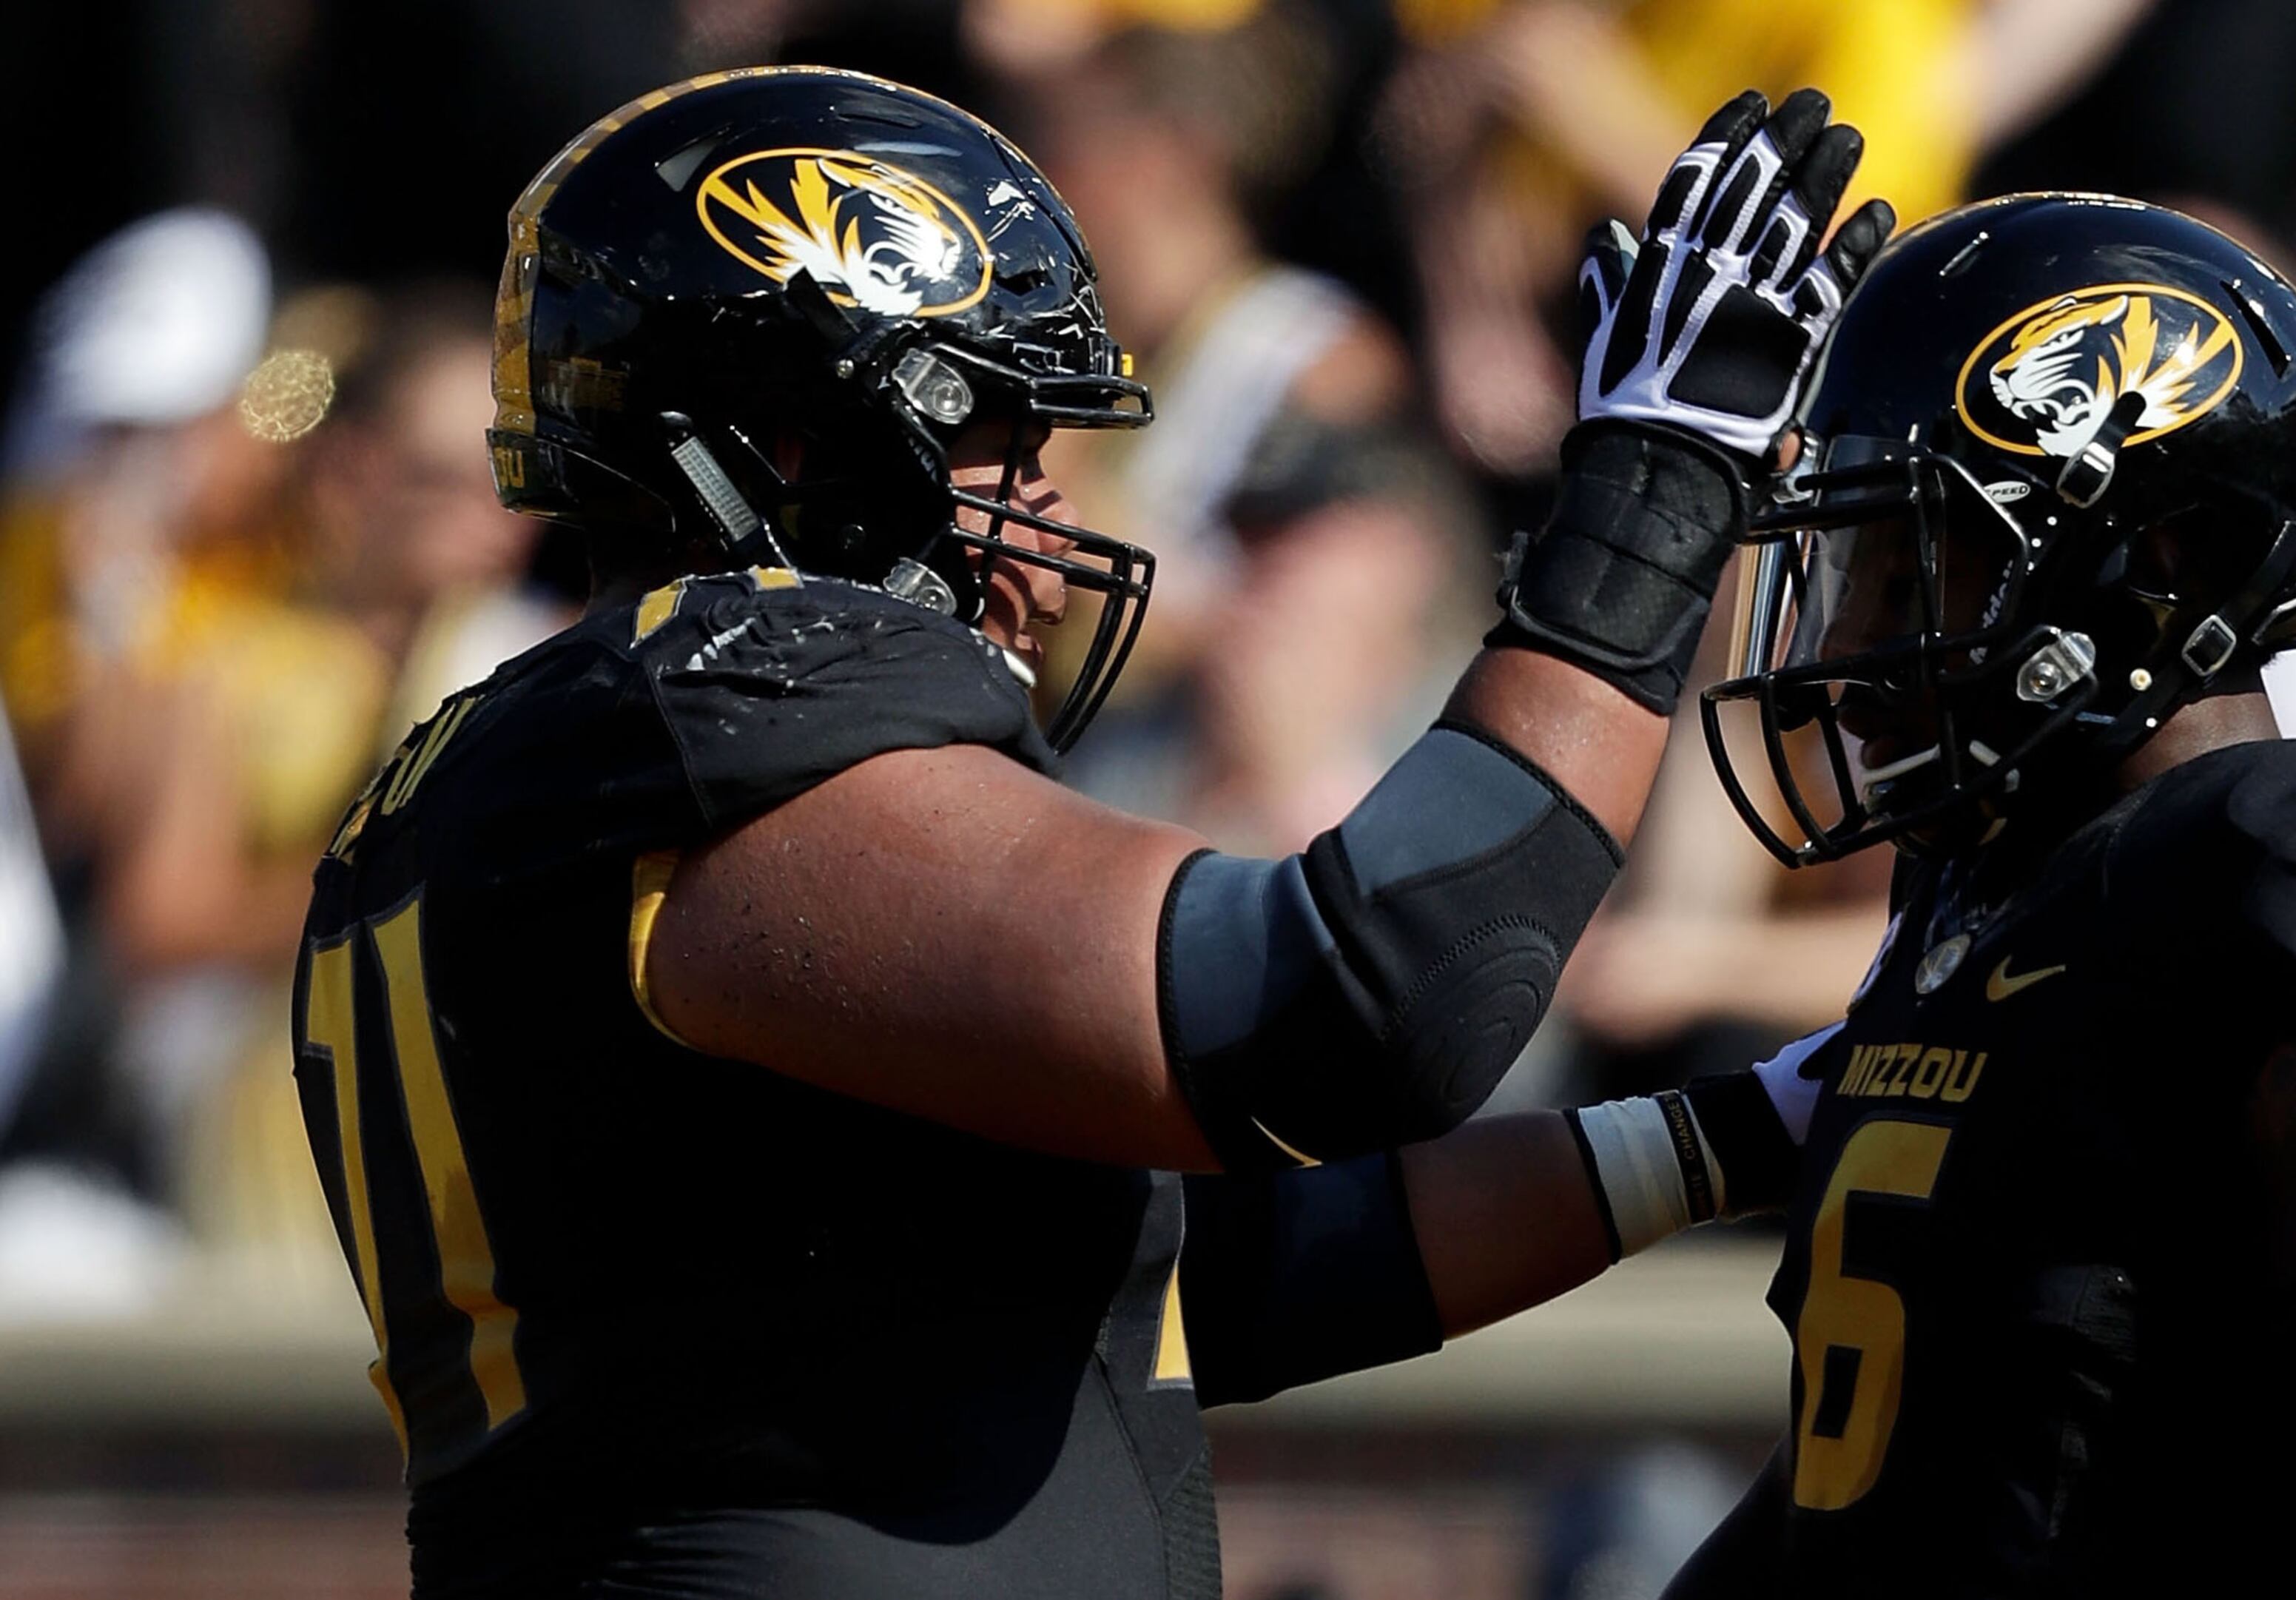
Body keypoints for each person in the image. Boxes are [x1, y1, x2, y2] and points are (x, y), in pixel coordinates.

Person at [292, 66, 1888, 1597]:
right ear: (802, 447)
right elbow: (1357, 998)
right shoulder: (711, 708)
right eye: (1010, 447)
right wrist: (1655, 501)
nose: (1053, 540)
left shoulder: (531, 762)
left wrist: (1757, 1121)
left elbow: (1200, 1277)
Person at [1632, 195, 2296, 1598]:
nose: (1849, 645)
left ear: (2148, 568)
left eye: (1909, 567)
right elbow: (1891, 1476)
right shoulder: (1984, 893)